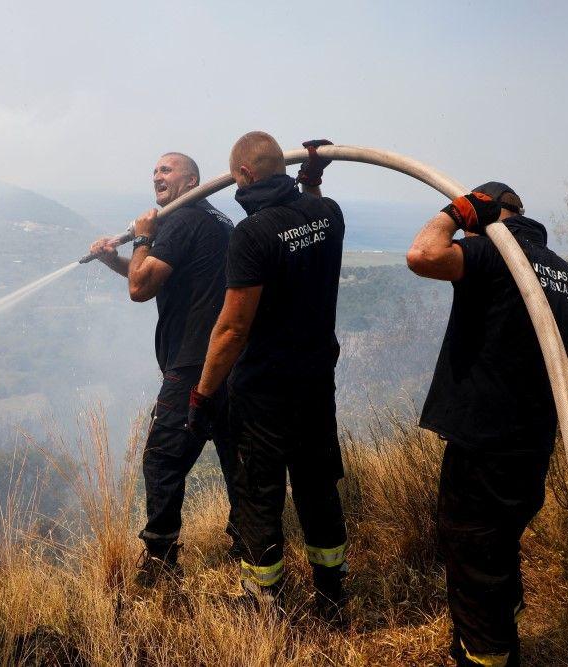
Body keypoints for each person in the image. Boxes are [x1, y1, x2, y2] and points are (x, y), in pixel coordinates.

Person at [405, 183, 568, 666]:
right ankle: (505, 619)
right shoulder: (558, 266)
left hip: (485, 442)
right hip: (532, 441)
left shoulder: (494, 248)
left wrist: (456, 212)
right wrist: (540, 370)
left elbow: (423, 255)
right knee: (500, 540)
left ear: (488, 212)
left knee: (474, 553)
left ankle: (488, 652)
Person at [188, 132, 349, 619]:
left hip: (265, 391)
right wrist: (313, 182)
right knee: (318, 486)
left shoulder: (251, 234)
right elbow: (311, 215)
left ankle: (263, 603)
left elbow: (233, 328)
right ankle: (331, 595)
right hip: (317, 382)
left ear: (242, 176)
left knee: (260, 493)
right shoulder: (329, 213)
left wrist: (203, 394)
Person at [87, 152, 237, 586]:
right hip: (228, 361)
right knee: (236, 459)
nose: (156, 175)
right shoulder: (214, 220)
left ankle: (160, 563)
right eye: (154, 170)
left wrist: (142, 237)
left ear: (191, 180)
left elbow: (140, 287)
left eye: (166, 170)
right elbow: (151, 278)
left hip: (191, 365)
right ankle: (250, 549)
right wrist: (111, 259)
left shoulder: (182, 220)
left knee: (162, 460)